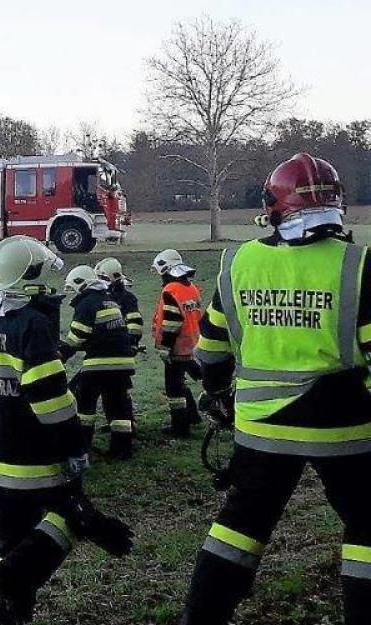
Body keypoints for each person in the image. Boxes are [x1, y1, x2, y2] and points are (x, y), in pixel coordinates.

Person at [181, 153, 371, 625]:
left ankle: (202, 617)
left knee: (239, 527)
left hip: (260, 429)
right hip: (346, 432)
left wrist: (220, 395)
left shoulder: (239, 261)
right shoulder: (359, 265)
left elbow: (210, 351)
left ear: (273, 206)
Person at [0, 236, 133, 625]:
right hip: (37, 460)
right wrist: (76, 448)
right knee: (70, 516)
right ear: (28, 278)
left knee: (9, 537)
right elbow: (53, 405)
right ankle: (18, 575)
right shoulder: (33, 325)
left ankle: (7, 613)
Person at [61, 265, 137, 459]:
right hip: (124, 363)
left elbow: (77, 337)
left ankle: (83, 446)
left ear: (81, 284)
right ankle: (122, 450)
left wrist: (61, 354)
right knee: (118, 406)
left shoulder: (87, 304)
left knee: (85, 404)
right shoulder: (109, 300)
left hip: (100, 363)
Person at [150, 249, 204, 438]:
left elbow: (172, 323)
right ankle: (193, 415)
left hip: (177, 347)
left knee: (174, 389)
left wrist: (165, 347)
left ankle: (180, 427)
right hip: (192, 343)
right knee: (183, 381)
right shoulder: (191, 287)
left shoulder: (170, 291)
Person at [94, 257, 144, 349]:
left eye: (101, 277)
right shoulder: (129, 297)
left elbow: (134, 325)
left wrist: (131, 342)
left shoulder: (126, 299)